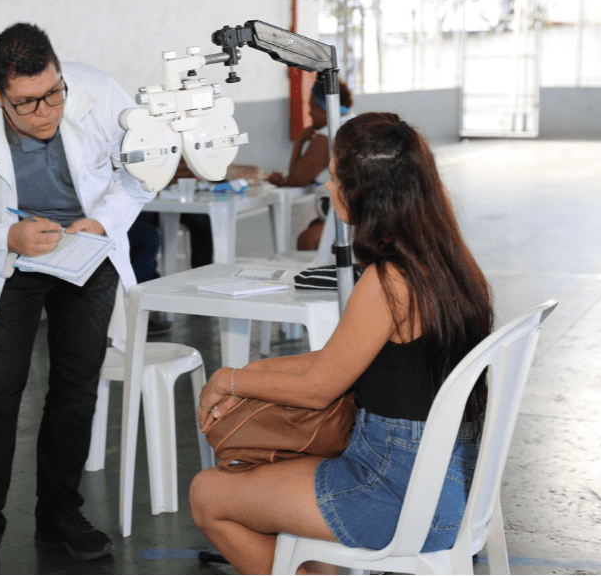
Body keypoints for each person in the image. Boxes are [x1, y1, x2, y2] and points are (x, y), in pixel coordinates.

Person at [189, 112, 494, 575]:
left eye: (336, 180)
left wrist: (231, 380)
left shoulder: (389, 280)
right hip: (452, 482)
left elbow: (318, 389)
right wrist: (240, 379)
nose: (328, 189)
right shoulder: (450, 263)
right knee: (289, 495)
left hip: (398, 492)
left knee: (207, 495)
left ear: (370, 193)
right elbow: (335, 362)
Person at [0, 23, 153, 574]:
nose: (46, 112)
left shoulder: (100, 97)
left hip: (86, 251)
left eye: (53, 93)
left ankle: (59, 515)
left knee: (76, 387)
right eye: (26, 104)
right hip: (11, 261)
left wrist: (104, 221)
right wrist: (6, 237)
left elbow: (142, 173)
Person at [266, 81, 355, 251]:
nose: (309, 113)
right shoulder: (352, 121)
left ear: (326, 109)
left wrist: (300, 141)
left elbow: (296, 179)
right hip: (357, 212)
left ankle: (318, 276)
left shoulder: (328, 134)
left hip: (349, 217)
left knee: (307, 240)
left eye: (313, 107)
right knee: (313, 225)